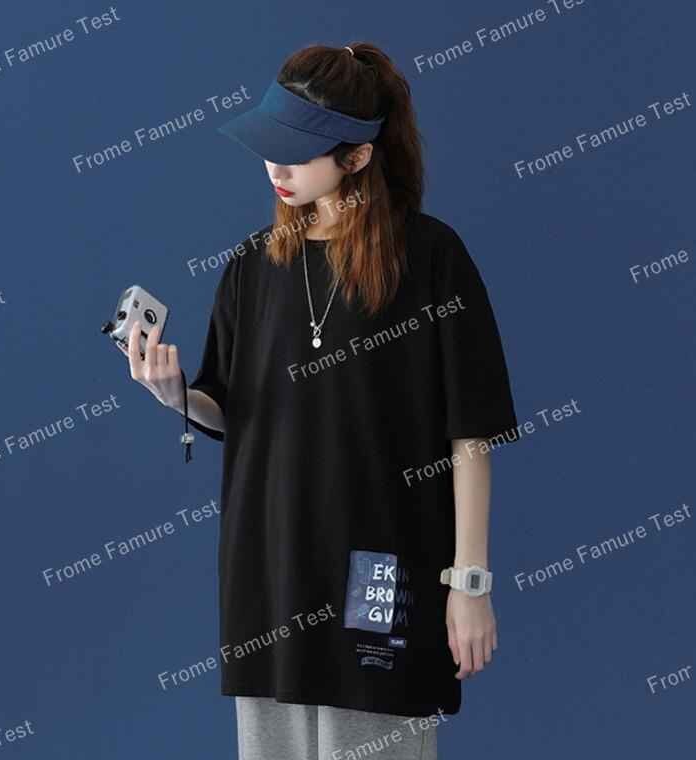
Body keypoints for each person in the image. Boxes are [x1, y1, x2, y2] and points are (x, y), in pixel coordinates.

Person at [124, 41, 522, 760]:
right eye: (268, 151)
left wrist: (469, 584)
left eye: (295, 154)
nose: (275, 170)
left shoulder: (431, 258)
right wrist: (174, 395)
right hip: (268, 569)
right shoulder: (252, 265)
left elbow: (471, 433)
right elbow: (232, 408)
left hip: (383, 566)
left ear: (358, 156)